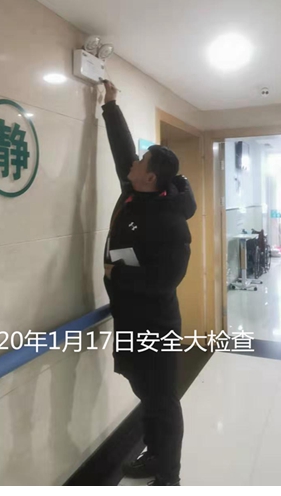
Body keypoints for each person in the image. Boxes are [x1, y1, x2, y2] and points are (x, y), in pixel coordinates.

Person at [101, 80, 196, 486]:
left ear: (150, 177)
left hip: (155, 325)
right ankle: (154, 454)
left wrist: (117, 274)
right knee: (146, 395)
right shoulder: (136, 191)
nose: (134, 162)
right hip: (130, 317)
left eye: (141, 161)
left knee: (162, 400)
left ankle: (169, 476)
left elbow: (165, 279)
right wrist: (110, 105)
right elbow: (122, 151)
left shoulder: (171, 222)